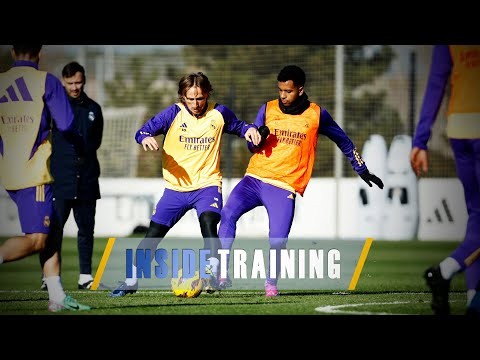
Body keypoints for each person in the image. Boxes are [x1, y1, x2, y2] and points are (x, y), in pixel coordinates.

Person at [217, 65, 384, 297]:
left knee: (278, 239)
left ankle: (270, 285)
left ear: (301, 90)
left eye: (288, 91)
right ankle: (222, 274)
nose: (282, 95)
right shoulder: (267, 108)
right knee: (227, 214)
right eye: (280, 90)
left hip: (284, 187)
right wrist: (258, 138)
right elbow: (251, 145)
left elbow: (344, 141)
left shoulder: (317, 115)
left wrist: (362, 168)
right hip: (254, 179)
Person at [109, 71, 262, 297]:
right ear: (182, 96)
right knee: (153, 234)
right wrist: (146, 138)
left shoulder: (219, 113)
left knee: (209, 223)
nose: (195, 103)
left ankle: (211, 276)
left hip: (207, 185)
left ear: (207, 93)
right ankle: (131, 281)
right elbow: (142, 131)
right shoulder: (173, 113)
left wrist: (249, 129)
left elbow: (239, 126)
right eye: (190, 99)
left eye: (200, 98)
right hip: (175, 189)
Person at [0, 44, 91, 312]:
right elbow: (66, 124)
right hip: (34, 172)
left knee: (50, 233)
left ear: (13, 52)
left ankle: (57, 296)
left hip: (9, 170)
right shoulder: (46, 82)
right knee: (38, 239)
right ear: (39, 53)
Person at [410, 45, 480, 316]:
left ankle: (474, 296)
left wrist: (420, 140)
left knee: (476, 214)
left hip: (460, 127)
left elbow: (436, 82)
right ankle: (445, 270)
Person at [40, 61, 104, 291]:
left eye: (78, 82)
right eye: (70, 83)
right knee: (54, 230)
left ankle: (85, 277)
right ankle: (49, 277)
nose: (75, 87)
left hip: (87, 179)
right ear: (63, 83)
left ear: (84, 80)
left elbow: (95, 142)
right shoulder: (52, 109)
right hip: (60, 179)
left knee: (86, 229)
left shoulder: (94, 109)